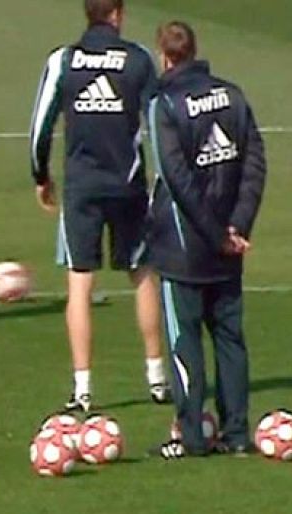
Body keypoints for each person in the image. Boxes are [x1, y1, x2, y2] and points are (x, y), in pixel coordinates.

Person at [28, 0, 170, 412]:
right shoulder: (139, 59)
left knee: (79, 282)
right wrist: (162, 179)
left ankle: (84, 387)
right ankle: (157, 376)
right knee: (142, 273)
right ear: (117, 14)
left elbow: (41, 125)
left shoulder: (64, 60)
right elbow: (159, 121)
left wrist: (40, 175)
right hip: (128, 184)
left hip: (82, 187)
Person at [146, 21, 266, 459]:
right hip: (229, 248)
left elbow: (176, 178)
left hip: (184, 249)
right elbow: (255, 160)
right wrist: (239, 226)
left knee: (186, 340)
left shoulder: (165, 104)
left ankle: (193, 437)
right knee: (230, 339)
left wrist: (217, 234)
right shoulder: (233, 95)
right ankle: (236, 434)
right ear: (194, 52)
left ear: (165, 55)